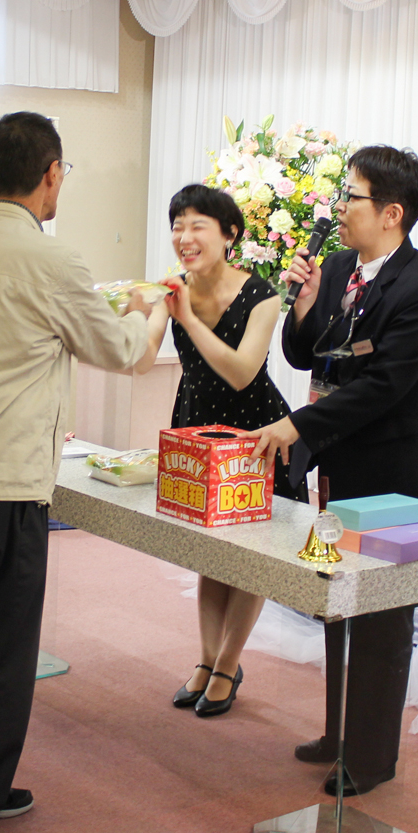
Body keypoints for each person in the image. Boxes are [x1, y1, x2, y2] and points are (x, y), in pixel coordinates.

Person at [0, 111, 150, 833]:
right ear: (51, 173)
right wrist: (150, 310)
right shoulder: (53, 260)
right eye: (64, 173)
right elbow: (118, 350)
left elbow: (17, 329)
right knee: (2, 649)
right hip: (1, 478)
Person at [244, 145, 418, 797]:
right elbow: (310, 356)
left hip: (398, 479)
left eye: (350, 197)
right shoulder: (336, 267)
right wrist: (301, 307)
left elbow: (385, 384)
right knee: (337, 605)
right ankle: (338, 733)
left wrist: (295, 427)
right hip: (339, 470)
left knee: (383, 619)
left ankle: (370, 758)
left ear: (391, 213)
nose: (338, 209)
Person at [134, 184, 308, 718]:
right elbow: (140, 361)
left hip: (256, 433)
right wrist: (128, 309)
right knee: (209, 554)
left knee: (249, 556)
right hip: (196, 424)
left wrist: (184, 317)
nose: (184, 237)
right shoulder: (172, 288)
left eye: (197, 226)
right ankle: (207, 660)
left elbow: (241, 371)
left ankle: (230, 663)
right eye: (177, 225)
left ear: (230, 234)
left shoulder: (264, 296)